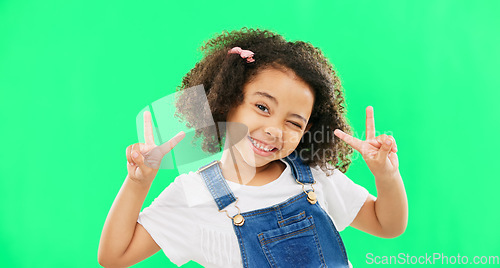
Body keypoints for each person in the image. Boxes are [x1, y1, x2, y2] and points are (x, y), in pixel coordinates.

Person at [98, 27, 408, 268]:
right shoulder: (194, 195)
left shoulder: (314, 177)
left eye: (294, 122)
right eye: (262, 107)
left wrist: (386, 175)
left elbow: (387, 224)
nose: (274, 129)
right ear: (229, 100)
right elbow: (114, 256)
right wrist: (138, 182)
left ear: (307, 132)